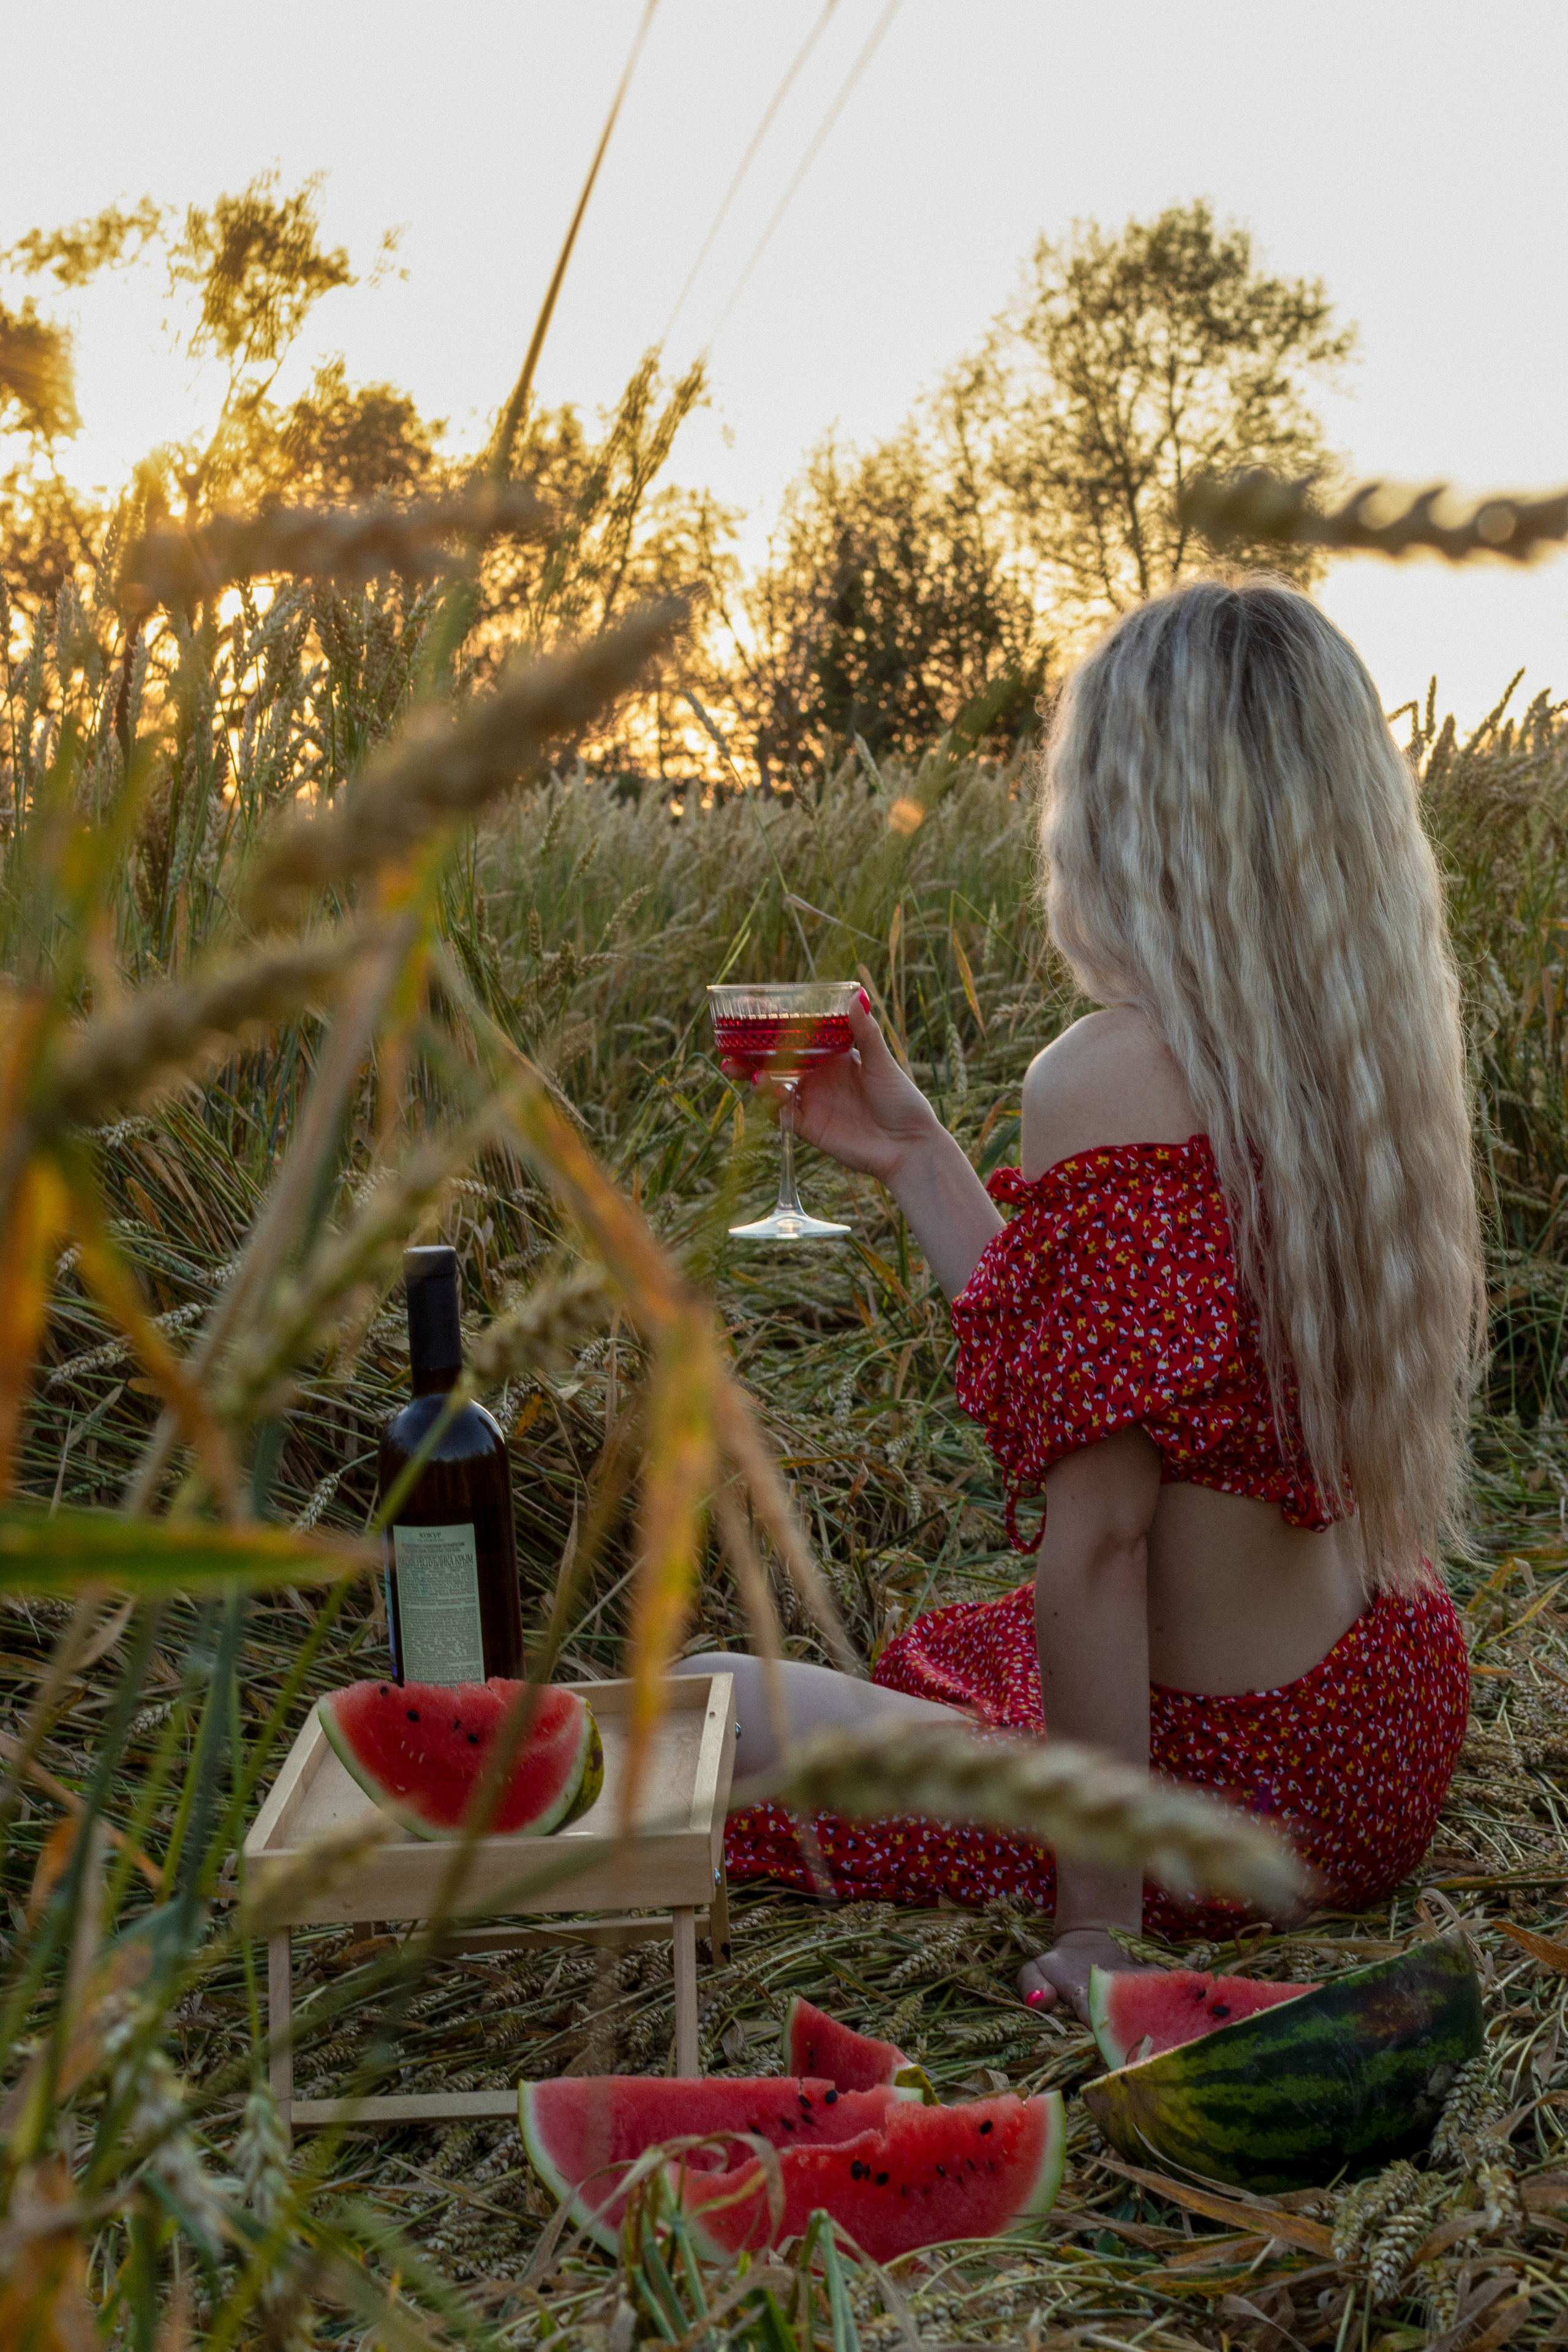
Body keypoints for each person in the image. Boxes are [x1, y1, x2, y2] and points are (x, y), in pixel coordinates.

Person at [676, 576, 1483, 2020]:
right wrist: (919, 1154)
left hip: (1226, 1794)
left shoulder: (1107, 1072)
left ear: (1119, 809)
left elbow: (1101, 1538)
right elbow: (1130, 1369)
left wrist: (1098, 1911)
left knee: (716, 1709)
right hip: (1382, 1716)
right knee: (956, 1654)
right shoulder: (1352, 1068)